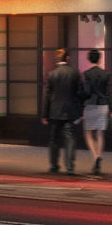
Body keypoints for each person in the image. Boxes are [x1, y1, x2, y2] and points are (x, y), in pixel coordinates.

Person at [43, 47, 85, 175]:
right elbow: (80, 93)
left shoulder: (52, 74)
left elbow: (48, 96)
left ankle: (54, 166)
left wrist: (45, 114)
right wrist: (80, 109)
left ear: (58, 59)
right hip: (70, 111)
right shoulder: (75, 73)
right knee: (70, 138)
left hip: (55, 112)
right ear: (68, 58)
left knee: (54, 139)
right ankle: (70, 166)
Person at [79, 49, 111, 177]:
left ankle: (95, 156)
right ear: (99, 59)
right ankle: (99, 155)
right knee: (100, 133)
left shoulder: (86, 74)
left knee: (88, 133)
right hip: (103, 105)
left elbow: (86, 91)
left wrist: (81, 100)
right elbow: (108, 93)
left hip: (91, 105)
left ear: (89, 59)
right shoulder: (105, 74)